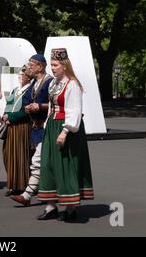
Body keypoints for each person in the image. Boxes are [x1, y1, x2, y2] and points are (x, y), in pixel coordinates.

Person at [36, 48, 94, 222]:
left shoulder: (72, 84)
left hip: (67, 129)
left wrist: (65, 131)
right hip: (52, 125)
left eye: (55, 65)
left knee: (66, 165)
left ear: (64, 66)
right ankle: (50, 206)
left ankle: (71, 207)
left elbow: (75, 110)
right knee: (47, 164)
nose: (52, 68)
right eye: (52, 65)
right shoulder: (54, 83)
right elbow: (51, 108)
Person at [10, 54, 52, 206]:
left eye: (31, 65)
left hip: (47, 126)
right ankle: (44, 193)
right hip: (35, 128)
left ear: (40, 66)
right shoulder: (34, 82)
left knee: (38, 161)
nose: (29, 68)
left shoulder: (50, 82)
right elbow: (27, 100)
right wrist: (27, 107)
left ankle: (28, 194)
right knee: (41, 161)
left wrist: (39, 106)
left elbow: (56, 104)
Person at [1, 65, 33, 196]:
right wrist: (5, 116)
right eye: (19, 74)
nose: (20, 76)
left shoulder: (30, 91)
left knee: (20, 155)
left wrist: (11, 117)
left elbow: (26, 111)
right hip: (10, 126)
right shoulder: (16, 89)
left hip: (22, 127)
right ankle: (12, 183)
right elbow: (8, 105)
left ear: (28, 77)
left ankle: (21, 185)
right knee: (8, 154)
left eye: (22, 74)